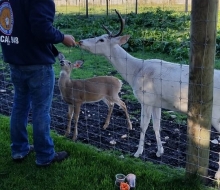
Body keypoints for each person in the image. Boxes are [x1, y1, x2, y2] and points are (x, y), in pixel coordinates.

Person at [0, 0, 76, 166]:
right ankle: (45, 156)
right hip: (37, 65)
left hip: (15, 61)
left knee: (19, 106)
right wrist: (63, 38)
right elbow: (41, 29)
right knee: (41, 111)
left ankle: (19, 149)